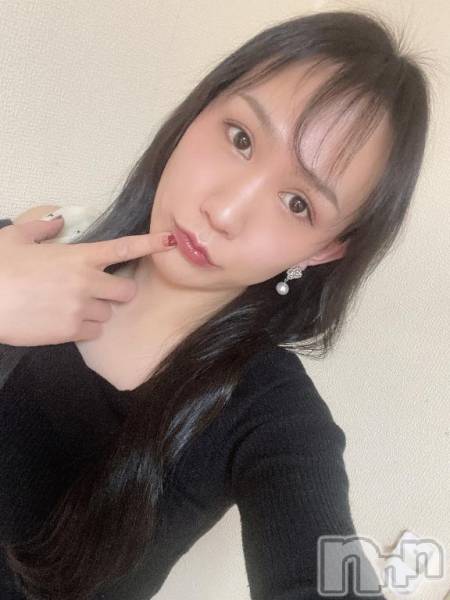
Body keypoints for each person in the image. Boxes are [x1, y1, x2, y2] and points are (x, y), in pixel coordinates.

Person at [0, 9, 429, 600]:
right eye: (241, 139)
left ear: (325, 249)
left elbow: (324, 578)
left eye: (298, 204)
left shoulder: (274, 419)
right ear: (201, 107)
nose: (224, 212)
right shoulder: (31, 246)